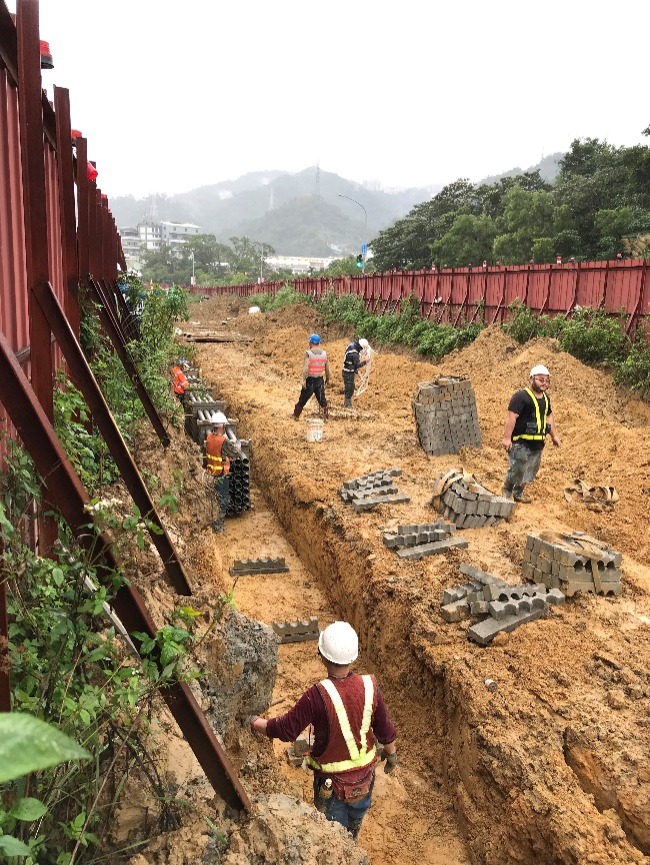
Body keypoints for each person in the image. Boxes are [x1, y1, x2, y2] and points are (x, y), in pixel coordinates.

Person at [250, 621, 397, 840]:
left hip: (332, 786)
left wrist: (254, 722)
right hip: (365, 779)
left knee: (333, 837)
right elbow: (385, 727)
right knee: (355, 822)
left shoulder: (316, 696)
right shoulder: (370, 685)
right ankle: (353, 841)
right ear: (354, 656)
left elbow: (286, 729)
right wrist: (391, 753)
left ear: (322, 655)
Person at [502, 364, 561, 503]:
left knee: (531, 470)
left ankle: (518, 492)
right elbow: (512, 417)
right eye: (541, 380)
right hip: (521, 441)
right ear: (531, 379)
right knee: (519, 466)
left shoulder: (546, 399)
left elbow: (549, 417)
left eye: (546, 380)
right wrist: (506, 438)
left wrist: (554, 436)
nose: (544, 383)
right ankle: (507, 489)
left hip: (538, 443)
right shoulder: (521, 397)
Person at [205, 412, 245, 532]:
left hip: (211, 473)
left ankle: (214, 523)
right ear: (222, 427)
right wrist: (238, 446)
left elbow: (218, 454)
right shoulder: (222, 441)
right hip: (221, 476)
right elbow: (235, 453)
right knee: (223, 500)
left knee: (214, 498)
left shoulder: (209, 438)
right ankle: (218, 527)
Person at [293, 333, 330, 420]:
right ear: (318, 343)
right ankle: (326, 417)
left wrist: (303, 380)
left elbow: (306, 368)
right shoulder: (324, 354)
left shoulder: (308, 353)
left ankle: (296, 416)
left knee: (303, 399)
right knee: (322, 400)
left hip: (310, 380)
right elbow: (327, 370)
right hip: (320, 380)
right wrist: (327, 380)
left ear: (311, 343)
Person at [342, 338, 368, 408]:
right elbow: (357, 365)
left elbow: (352, 363)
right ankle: (347, 406)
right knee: (349, 389)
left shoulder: (352, 345)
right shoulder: (355, 354)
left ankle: (347, 404)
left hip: (347, 369)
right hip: (348, 372)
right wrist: (365, 361)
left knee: (350, 387)